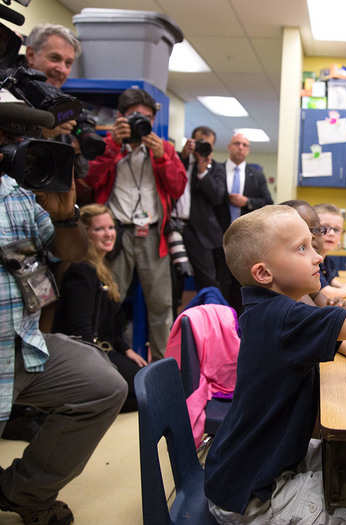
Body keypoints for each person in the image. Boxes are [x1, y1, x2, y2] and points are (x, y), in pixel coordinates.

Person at [205, 188, 346, 524]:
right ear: (264, 273)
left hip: (243, 470)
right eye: (302, 248)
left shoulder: (269, 310)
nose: (317, 256)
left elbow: (335, 337)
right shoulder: (285, 318)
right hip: (254, 497)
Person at [0, 127, 127, 524]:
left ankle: (24, 492)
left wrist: (66, 214)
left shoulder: (16, 195)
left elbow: (69, 252)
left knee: (103, 385)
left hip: (22, 344)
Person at [86, 88, 187, 361]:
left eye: (146, 117)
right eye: (133, 117)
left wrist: (162, 158)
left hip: (153, 234)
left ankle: (164, 368)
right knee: (109, 299)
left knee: (161, 305)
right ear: (120, 118)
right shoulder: (107, 145)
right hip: (115, 233)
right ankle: (102, 359)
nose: (140, 123)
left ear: (153, 121)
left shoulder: (163, 149)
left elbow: (178, 187)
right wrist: (112, 148)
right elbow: (90, 181)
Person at [53, 204, 147, 413]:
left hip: (105, 351)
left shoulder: (101, 269)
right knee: (147, 393)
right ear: (85, 234)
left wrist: (126, 349)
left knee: (151, 382)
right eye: (99, 229)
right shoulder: (81, 271)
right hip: (87, 358)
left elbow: (109, 325)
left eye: (111, 228)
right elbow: (81, 332)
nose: (108, 234)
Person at [214, 132, 273, 313]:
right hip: (217, 236)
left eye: (244, 145)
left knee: (241, 283)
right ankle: (220, 321)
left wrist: (247, 202)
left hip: (246, 238)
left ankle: (240, 323)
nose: (240, 147)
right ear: (229, 147)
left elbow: (268, 202)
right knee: (219, 282)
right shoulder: (216, 170)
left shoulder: (256, 174)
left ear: (248, 150)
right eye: (237, 143)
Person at [24, 24, 91, 184]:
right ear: (31, 55)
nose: (62, 69)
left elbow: (79, 173)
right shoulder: (7, 93)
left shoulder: (65, 106)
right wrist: (41, 132)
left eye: (68, 63)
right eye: (55, 58)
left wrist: (77, 151)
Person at [171, 126, 228, 313]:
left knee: (208, 281)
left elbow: (217, 197)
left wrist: (203, 171)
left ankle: (212, 322)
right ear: (191, 142)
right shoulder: (179, 162)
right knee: (172, 281)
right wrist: (184, 156)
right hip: (172, 228)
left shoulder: (217, 168)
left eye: (207, 145)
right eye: (199, 143)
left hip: (200, 233)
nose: (202, 148)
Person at [280, 200, 346, 308]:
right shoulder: (287, 289)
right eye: (302, 248)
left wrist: (333, 306)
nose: (312, 236)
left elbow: (322, 305)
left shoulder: (306, 283)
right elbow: (316, 317)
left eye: (317, 230)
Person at [313, 203, 346, 300]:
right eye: (324, 228)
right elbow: (325, 293)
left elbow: (330, 280)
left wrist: (344, 287)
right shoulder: (311, 261)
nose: (331, 233)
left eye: (336, 229)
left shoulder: (328, 261)